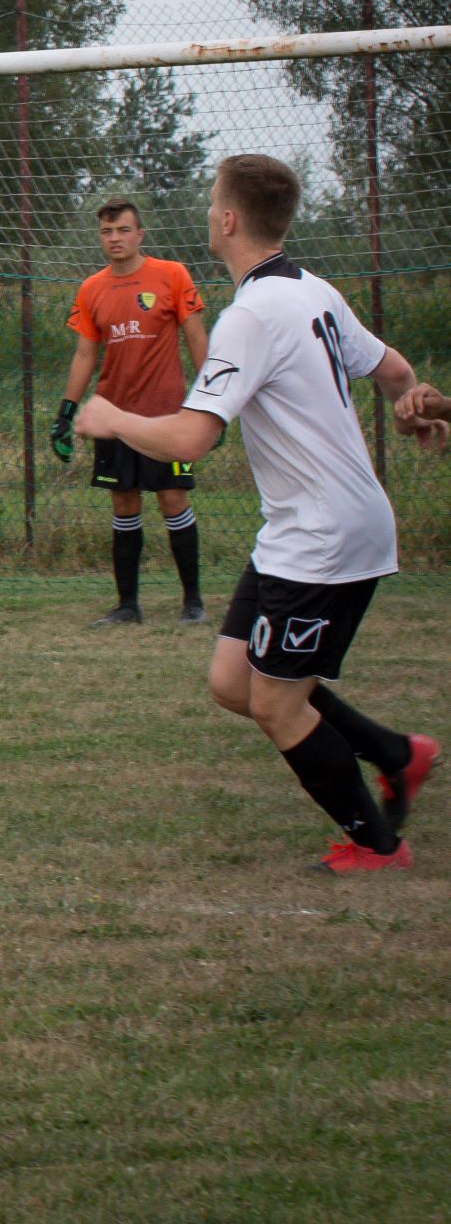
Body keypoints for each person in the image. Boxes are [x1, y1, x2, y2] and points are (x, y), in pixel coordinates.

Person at [77, 153, 444, 873]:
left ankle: (377, 843)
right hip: (299, 530)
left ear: (229, 219)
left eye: (213, 199)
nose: (210, 210)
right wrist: (414, 405)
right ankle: (400, 755)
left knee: (278, 705)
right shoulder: (313, 290)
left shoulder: (253, 314)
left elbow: (189, 439)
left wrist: (112, 416)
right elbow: (397, 374)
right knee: (232, 679)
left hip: (325, 536)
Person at [50, 199, 210, 625]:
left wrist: (213, 399)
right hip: (111, 418)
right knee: (123, 504)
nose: (115, 239)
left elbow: (196, 336)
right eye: (107, 231)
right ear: (100, 237)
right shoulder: (91, 289)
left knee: (173, 499)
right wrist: (65, 413)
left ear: (140, 234)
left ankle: (193, 602)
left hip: (166, 416)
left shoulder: (172, 275)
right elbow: (85, 354)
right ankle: (127, 606)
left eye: (123, 230)